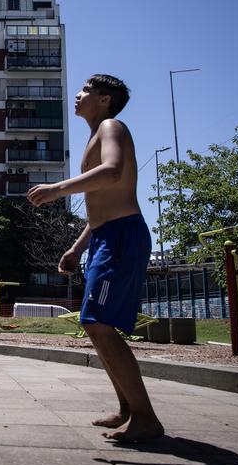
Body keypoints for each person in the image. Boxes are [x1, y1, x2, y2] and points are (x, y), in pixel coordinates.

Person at [26, 74, 163, 443]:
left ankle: (146, 417)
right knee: (94, 322)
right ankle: (128, 409)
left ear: (105, 100)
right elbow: (99, 206)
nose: (78, 94)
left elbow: (113, 171)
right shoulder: (93, 135)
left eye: (86, 91)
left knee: (98, 323)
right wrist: (77, 247)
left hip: (122, 236)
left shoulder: (111, 126)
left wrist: (58, 188)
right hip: (106, 236)